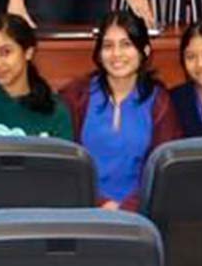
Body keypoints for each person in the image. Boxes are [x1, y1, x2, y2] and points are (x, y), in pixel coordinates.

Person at [60, 12, 182, 211]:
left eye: (126, 44)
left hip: (141, 214)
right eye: (108, 46)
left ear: (145, 50)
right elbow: (64, 161)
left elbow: (164, 169)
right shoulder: (77, 95)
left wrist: (127, 209)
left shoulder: (159, 101)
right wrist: (100, 204)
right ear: (99, 53)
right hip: (82, 208)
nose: (117, 54)